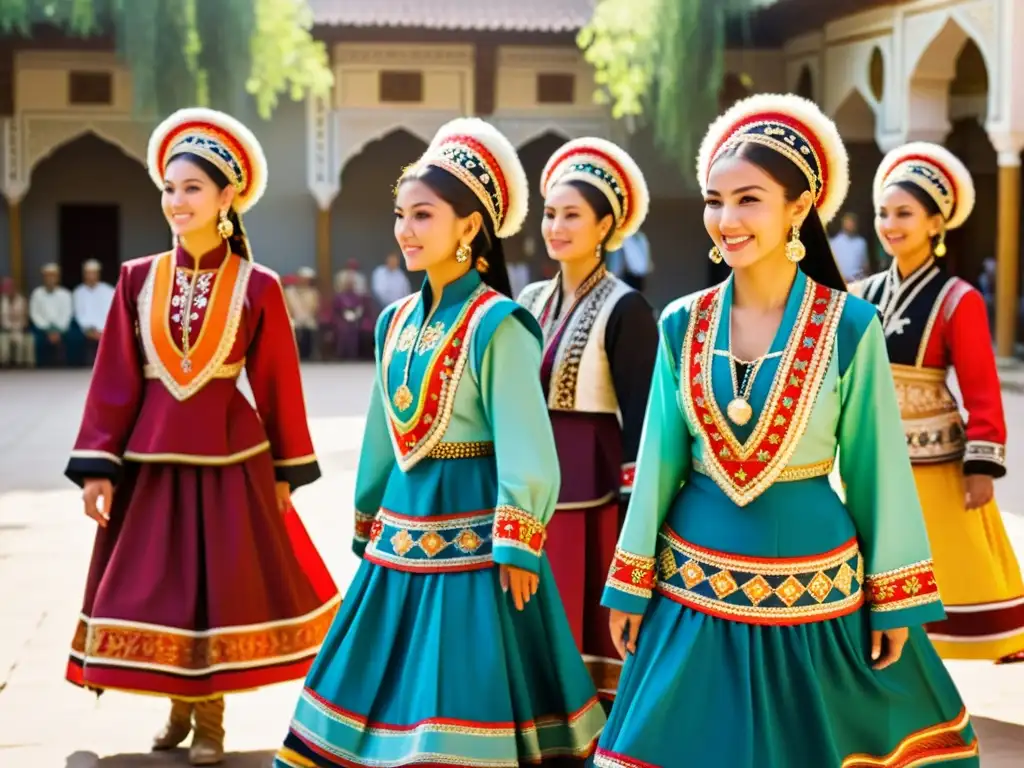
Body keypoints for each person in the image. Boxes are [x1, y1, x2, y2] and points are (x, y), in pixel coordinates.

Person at [595, 94, 978, 768]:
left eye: (749, 199)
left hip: (817, 587)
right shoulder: (680, 323)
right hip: (691, 587)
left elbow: (875, 469)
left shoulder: (851, 326)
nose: (726, 219)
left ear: (799, 208)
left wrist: (892, 598)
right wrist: (629, 582)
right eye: (715, 200)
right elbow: (657, 460)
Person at [275, 117, 605, 768]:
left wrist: (518, 535)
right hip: (399, 529)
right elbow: (381, 429)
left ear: (469, 227)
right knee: (380, 675)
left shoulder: (500, 324)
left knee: (464, 676)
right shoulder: (395, 319)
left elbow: (525, 440)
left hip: (477, 531)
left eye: (423, 215)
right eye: (400, 215)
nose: (405, 230)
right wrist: (368, 515)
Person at [64, 107, 340, 766]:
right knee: (162, 586)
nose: (177, 201)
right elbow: (115, 380)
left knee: (220, 588)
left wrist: (285, 473)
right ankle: (178, 706)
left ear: (227, 198)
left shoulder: (259, 286)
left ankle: (210, 717)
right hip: (151, 461)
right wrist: (99, 464)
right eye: (169, 188)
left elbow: (277, 386)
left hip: (232, 461)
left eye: (191, 188)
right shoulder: (136, 279)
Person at [851, 141, 1024, 663]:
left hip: (936, 460)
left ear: (935, 223)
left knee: (944, 565)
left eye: (904, 213)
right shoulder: (861, 295)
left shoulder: (959, 299)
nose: (889, 223)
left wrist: (982, 465)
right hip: (872, 453)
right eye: (883, 212)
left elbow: (981, 390)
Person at [518, 137, 658, 704]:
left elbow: (643, 419)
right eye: (550, 213)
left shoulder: (627, 307)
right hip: (530, 479)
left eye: (572, 215)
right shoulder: (526, 299)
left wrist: (635, 513)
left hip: (593, 483)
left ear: (606, 226)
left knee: (584, 605)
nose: (556, 226)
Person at [72, 259, 115, 366]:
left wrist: (102, 331)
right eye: (88, 273)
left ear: (98, 274)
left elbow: (111, 313)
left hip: (105, 329)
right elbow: (79, 314)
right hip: (85, 329)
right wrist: (90, 330)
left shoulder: (109, 290)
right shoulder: (78, 292)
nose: (91, 276)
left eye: (93, 273)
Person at [29, 263, 73, 367]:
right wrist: (48, 330)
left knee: (74, 338)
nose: (50, 278)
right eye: (48, 276)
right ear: (43, 278)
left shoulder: (65, 294)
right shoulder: (37, 293)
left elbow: (67, 314)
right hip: (42, 328)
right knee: (36, 340)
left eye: (53, 275)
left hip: (61, 328)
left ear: (58, 277)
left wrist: (57, 330)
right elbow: (34, 314)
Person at [284, 266, 320, 360]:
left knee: (310, 327)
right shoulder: (289, 291)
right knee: (294, 327)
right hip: (293, 317)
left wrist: (308, 316)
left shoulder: (313, 292)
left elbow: (314, 308)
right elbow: (287, 307)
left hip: (308, 318)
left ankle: (308, 355)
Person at [0, 276, 33, 368]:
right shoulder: (2, 300)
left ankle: (20, 363)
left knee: (22, 339)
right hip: (5, 329)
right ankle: (4, 363)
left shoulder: (22, 300)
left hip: (19, 328)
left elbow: (25, 318)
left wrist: (19, 327)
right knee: (3, 339)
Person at [829, 211, 871, 282]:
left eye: (853, 222)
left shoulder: (861, 242)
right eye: (848, 222)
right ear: (843, 223)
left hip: (857, 282)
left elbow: (866, 267)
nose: (851, 224)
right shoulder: (833, 243)